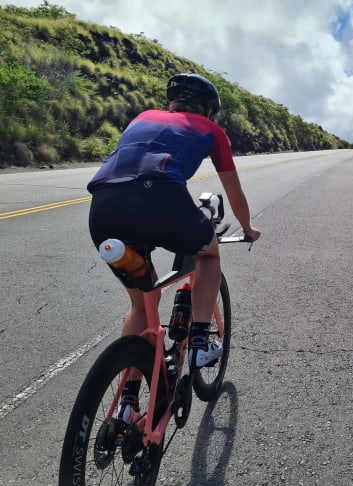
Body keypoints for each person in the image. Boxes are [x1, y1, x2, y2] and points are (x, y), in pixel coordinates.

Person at [87, 73, 260, 419]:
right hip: (160, 197)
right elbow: (235, 192)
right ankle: (198, 343)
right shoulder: (211, 130)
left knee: (141, 304)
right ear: (209, 110)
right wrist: (247, 227)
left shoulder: (142, 117)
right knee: (209, 254)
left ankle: (127, 404)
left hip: (103, 206)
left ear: (172, 102)